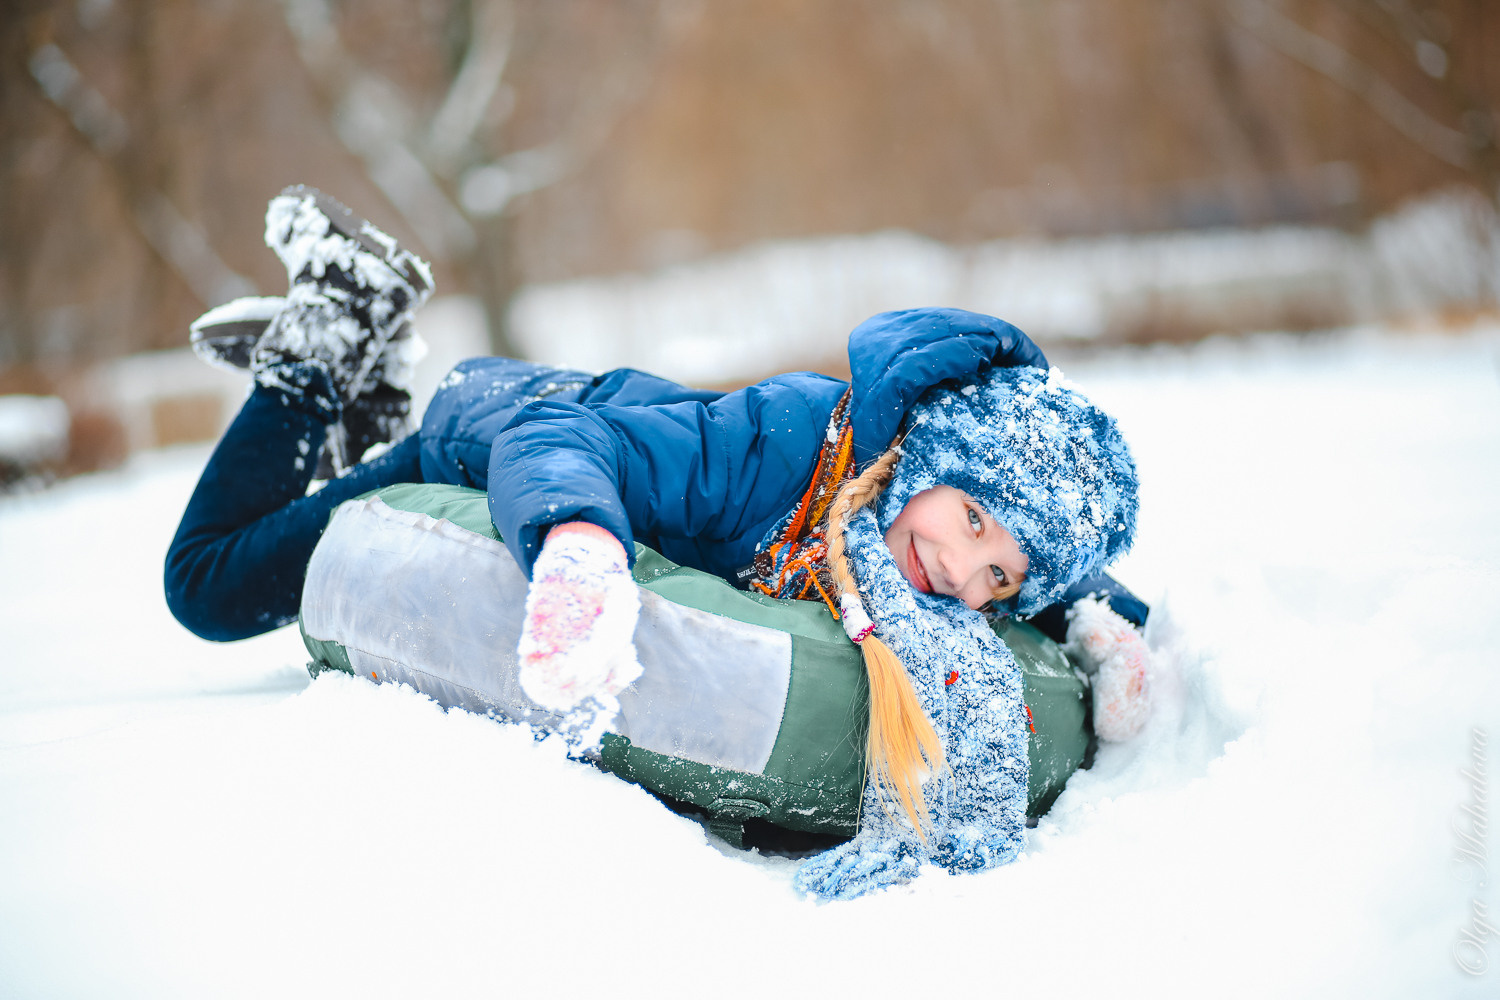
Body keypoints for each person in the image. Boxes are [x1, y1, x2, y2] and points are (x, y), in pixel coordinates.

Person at [166, 187, 1152, 899]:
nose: (959, 570)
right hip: (494, 448)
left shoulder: (921, 542)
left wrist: (1103, 624)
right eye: (970, 518)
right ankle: (334, 327)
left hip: (559, 446)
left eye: (998, 574)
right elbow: (562, 441)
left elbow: (1051, 576)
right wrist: (579, 541)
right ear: (926, 455)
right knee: (209, 588)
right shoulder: (785, 445)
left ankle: (362, 394)